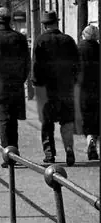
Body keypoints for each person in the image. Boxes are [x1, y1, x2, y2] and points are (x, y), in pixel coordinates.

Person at [0, 6, 31, 164]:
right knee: (12, 118)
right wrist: (21, 78)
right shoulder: (19, 38)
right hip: (15, 83)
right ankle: (14, 148)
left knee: (2, 119)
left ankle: (7, 153)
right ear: (10, 19)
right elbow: (26, 63)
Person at [31, 11, 80, 166]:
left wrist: (35, 82)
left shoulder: (40, 41)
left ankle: (49, 154)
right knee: (66, 121)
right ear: (57, 23)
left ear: (44, 25)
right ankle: (69, 149)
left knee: (47, 122)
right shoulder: (68, 41)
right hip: (66, 88)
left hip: (46, 89)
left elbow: (36, 66)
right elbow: (77, 65)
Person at [75, 24, 99, 161]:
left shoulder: (77, 49)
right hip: (98, 89)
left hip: (82, 89)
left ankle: (89, 140)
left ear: (84, 35)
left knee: (85, 117)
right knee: (96, 118)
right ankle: (92, 141)